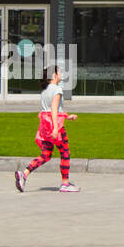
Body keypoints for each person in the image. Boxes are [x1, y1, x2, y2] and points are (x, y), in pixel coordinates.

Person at [16, 65, 79, 193]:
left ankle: (24, 174)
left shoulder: (44, 91)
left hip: (45, 126)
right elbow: (54, 109)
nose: (61, 75)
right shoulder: (57, 89)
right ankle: (65, 183)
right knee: (65, 153)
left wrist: (68, 116)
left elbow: (50, 111)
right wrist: (56, 128)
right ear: (54, 76)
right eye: (59, 72)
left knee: (46, 155)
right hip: (55, 127)